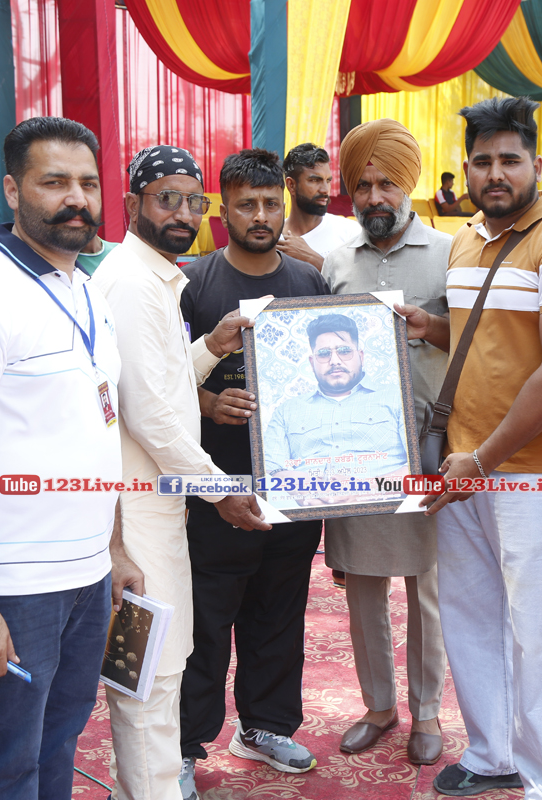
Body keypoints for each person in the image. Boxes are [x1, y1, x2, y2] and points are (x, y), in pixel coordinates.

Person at [0, 117, 143, 800]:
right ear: (13, 191)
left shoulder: (85, 290)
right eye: (55, 182)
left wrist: (113, 549)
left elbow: (97, 427)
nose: (76, 198)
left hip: (85, 575)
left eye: (87, 183)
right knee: (6, 762)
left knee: (61, 741)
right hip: (13, 587)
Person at [400, 97, 542, 798]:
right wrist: (428, 326)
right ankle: (492, 754)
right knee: (471, 614)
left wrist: (482, 460)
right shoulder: (465, 239)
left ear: (537, 165)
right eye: (483, 161)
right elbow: (479, 338)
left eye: (510, 160)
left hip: (533, 472)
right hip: (461, 465)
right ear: (465, 168)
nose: (496, 173)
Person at [91, 144, 268, 800]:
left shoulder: (154, 277)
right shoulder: (133, 283)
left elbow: (158, 386)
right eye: (168, 198)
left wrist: (209, 347)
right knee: (149, 676)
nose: (184, 213)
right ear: (132, 203)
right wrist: (221, 491)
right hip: (135, 518)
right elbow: (151, 416)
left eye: (195, 201)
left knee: (157, 670)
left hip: (157, 512)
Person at [178, 149, 327, 785]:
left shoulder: (309, 283)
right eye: (247, 205)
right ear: (223, 210)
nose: (261, 216)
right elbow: (157, 384)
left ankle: (265, 726)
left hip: (294, 486)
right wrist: (209, 403)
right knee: (204, 622)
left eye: (270, 203)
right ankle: (184, 748)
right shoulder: (194, 284)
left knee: (279, 612)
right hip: (215, 488)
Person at [322, 116, 452, 766]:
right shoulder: (336, 261)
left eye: (387, 184)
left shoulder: (452, 253)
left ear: (410, 185)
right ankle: (379, 706)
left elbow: (481, 344)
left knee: (427, 589)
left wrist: (431, 327)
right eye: (363, 185)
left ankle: (427, 712)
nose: (375, 197)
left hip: (427, 449)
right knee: (364, 586)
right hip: (352, 451)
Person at [261, 313, 410, 502]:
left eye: (344, 351)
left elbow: (417, 469)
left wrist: (362, 489)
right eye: (324, 354)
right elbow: (270, 470)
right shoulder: (287, 410)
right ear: (312, 362)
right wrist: (296, 484)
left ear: (361, 356)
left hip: (387, 511)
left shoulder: (397, 397)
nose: (335, 361)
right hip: (309, 512)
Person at [277, 142, 359, 270]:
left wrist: (312, 259)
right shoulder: (273, 239)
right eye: (315, 180)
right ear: (291, 185)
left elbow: (363, 281)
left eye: (328, 180)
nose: (325, 190)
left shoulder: (351, 233)